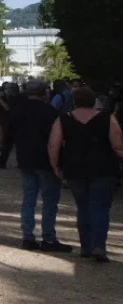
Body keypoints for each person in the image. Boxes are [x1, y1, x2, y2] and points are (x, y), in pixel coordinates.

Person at [50, 87, 123, 262]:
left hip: (75, 168)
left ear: (74, 101)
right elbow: (118, 145)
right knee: (100, 208)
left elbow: (54, 144)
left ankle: (85, 246)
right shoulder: (108, 118)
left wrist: (56, 166)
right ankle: (99, 246)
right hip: (103, 168)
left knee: (83, 207)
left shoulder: (63, 119)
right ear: (94, 100)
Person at [3, 80, 71, 252]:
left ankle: (28, 236)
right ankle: (48, 237)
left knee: (29, 199)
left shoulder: (16, 111)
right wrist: (61, 164)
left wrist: (3, 159)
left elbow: (7, 137)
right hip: (46, 160)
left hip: (25, 159)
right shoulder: (51, 112)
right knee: (49, 200)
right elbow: (58, 140)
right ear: (44, 93)